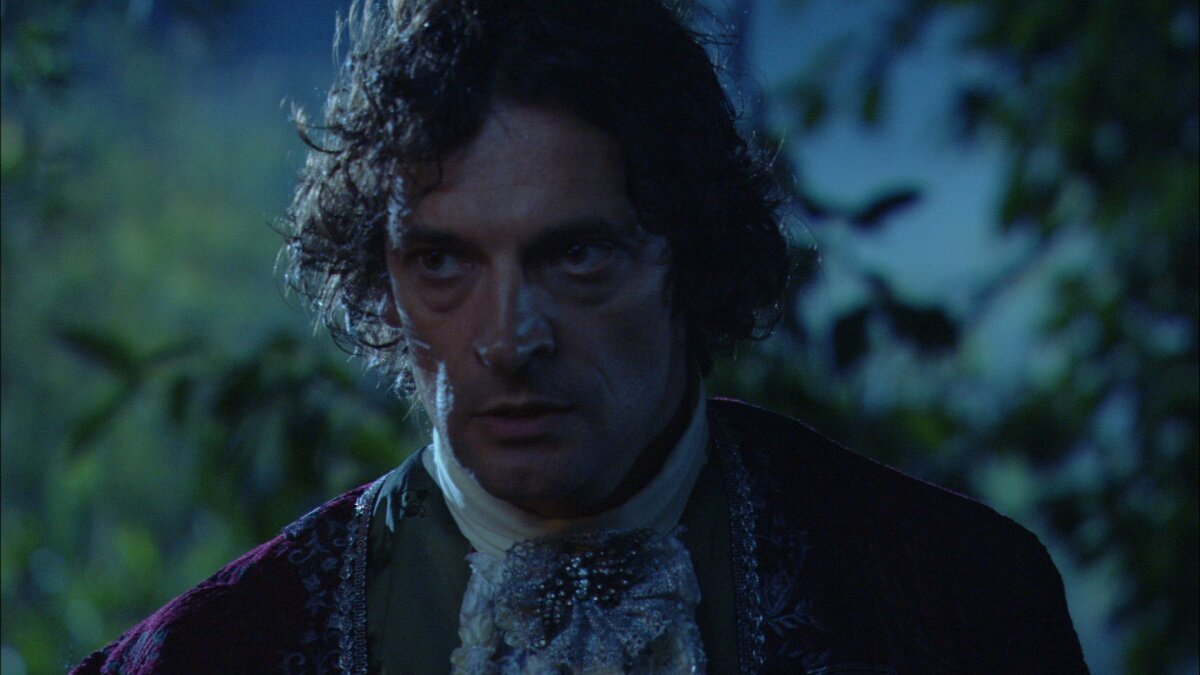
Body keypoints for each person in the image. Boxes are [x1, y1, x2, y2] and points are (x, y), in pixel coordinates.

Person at [72, 0, 1089, 672]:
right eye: (444, 262)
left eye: (578, 256)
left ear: (689, 257)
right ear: (383, 279)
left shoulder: (958, 601)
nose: (509, 339)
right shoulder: (210, 657)